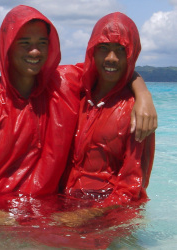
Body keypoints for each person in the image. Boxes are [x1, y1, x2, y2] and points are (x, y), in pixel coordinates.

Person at [0, 5, 156, 225]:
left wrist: (143, 94)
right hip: (9, 217)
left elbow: (109, 67)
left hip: (64, 216)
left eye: (42, 43)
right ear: (7, 46)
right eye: (24, 43)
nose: (35, 51)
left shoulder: (63, 85)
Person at [53, 12, 155, 227]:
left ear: (132, 54)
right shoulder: (73, 92)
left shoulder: (136, 111)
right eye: (103, 48)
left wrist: (84, 216)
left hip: (106, 212)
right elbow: (30, 77)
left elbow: (131, 187)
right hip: (64, 203)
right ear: (92, 51)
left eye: (121, 50)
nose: (111, 58)